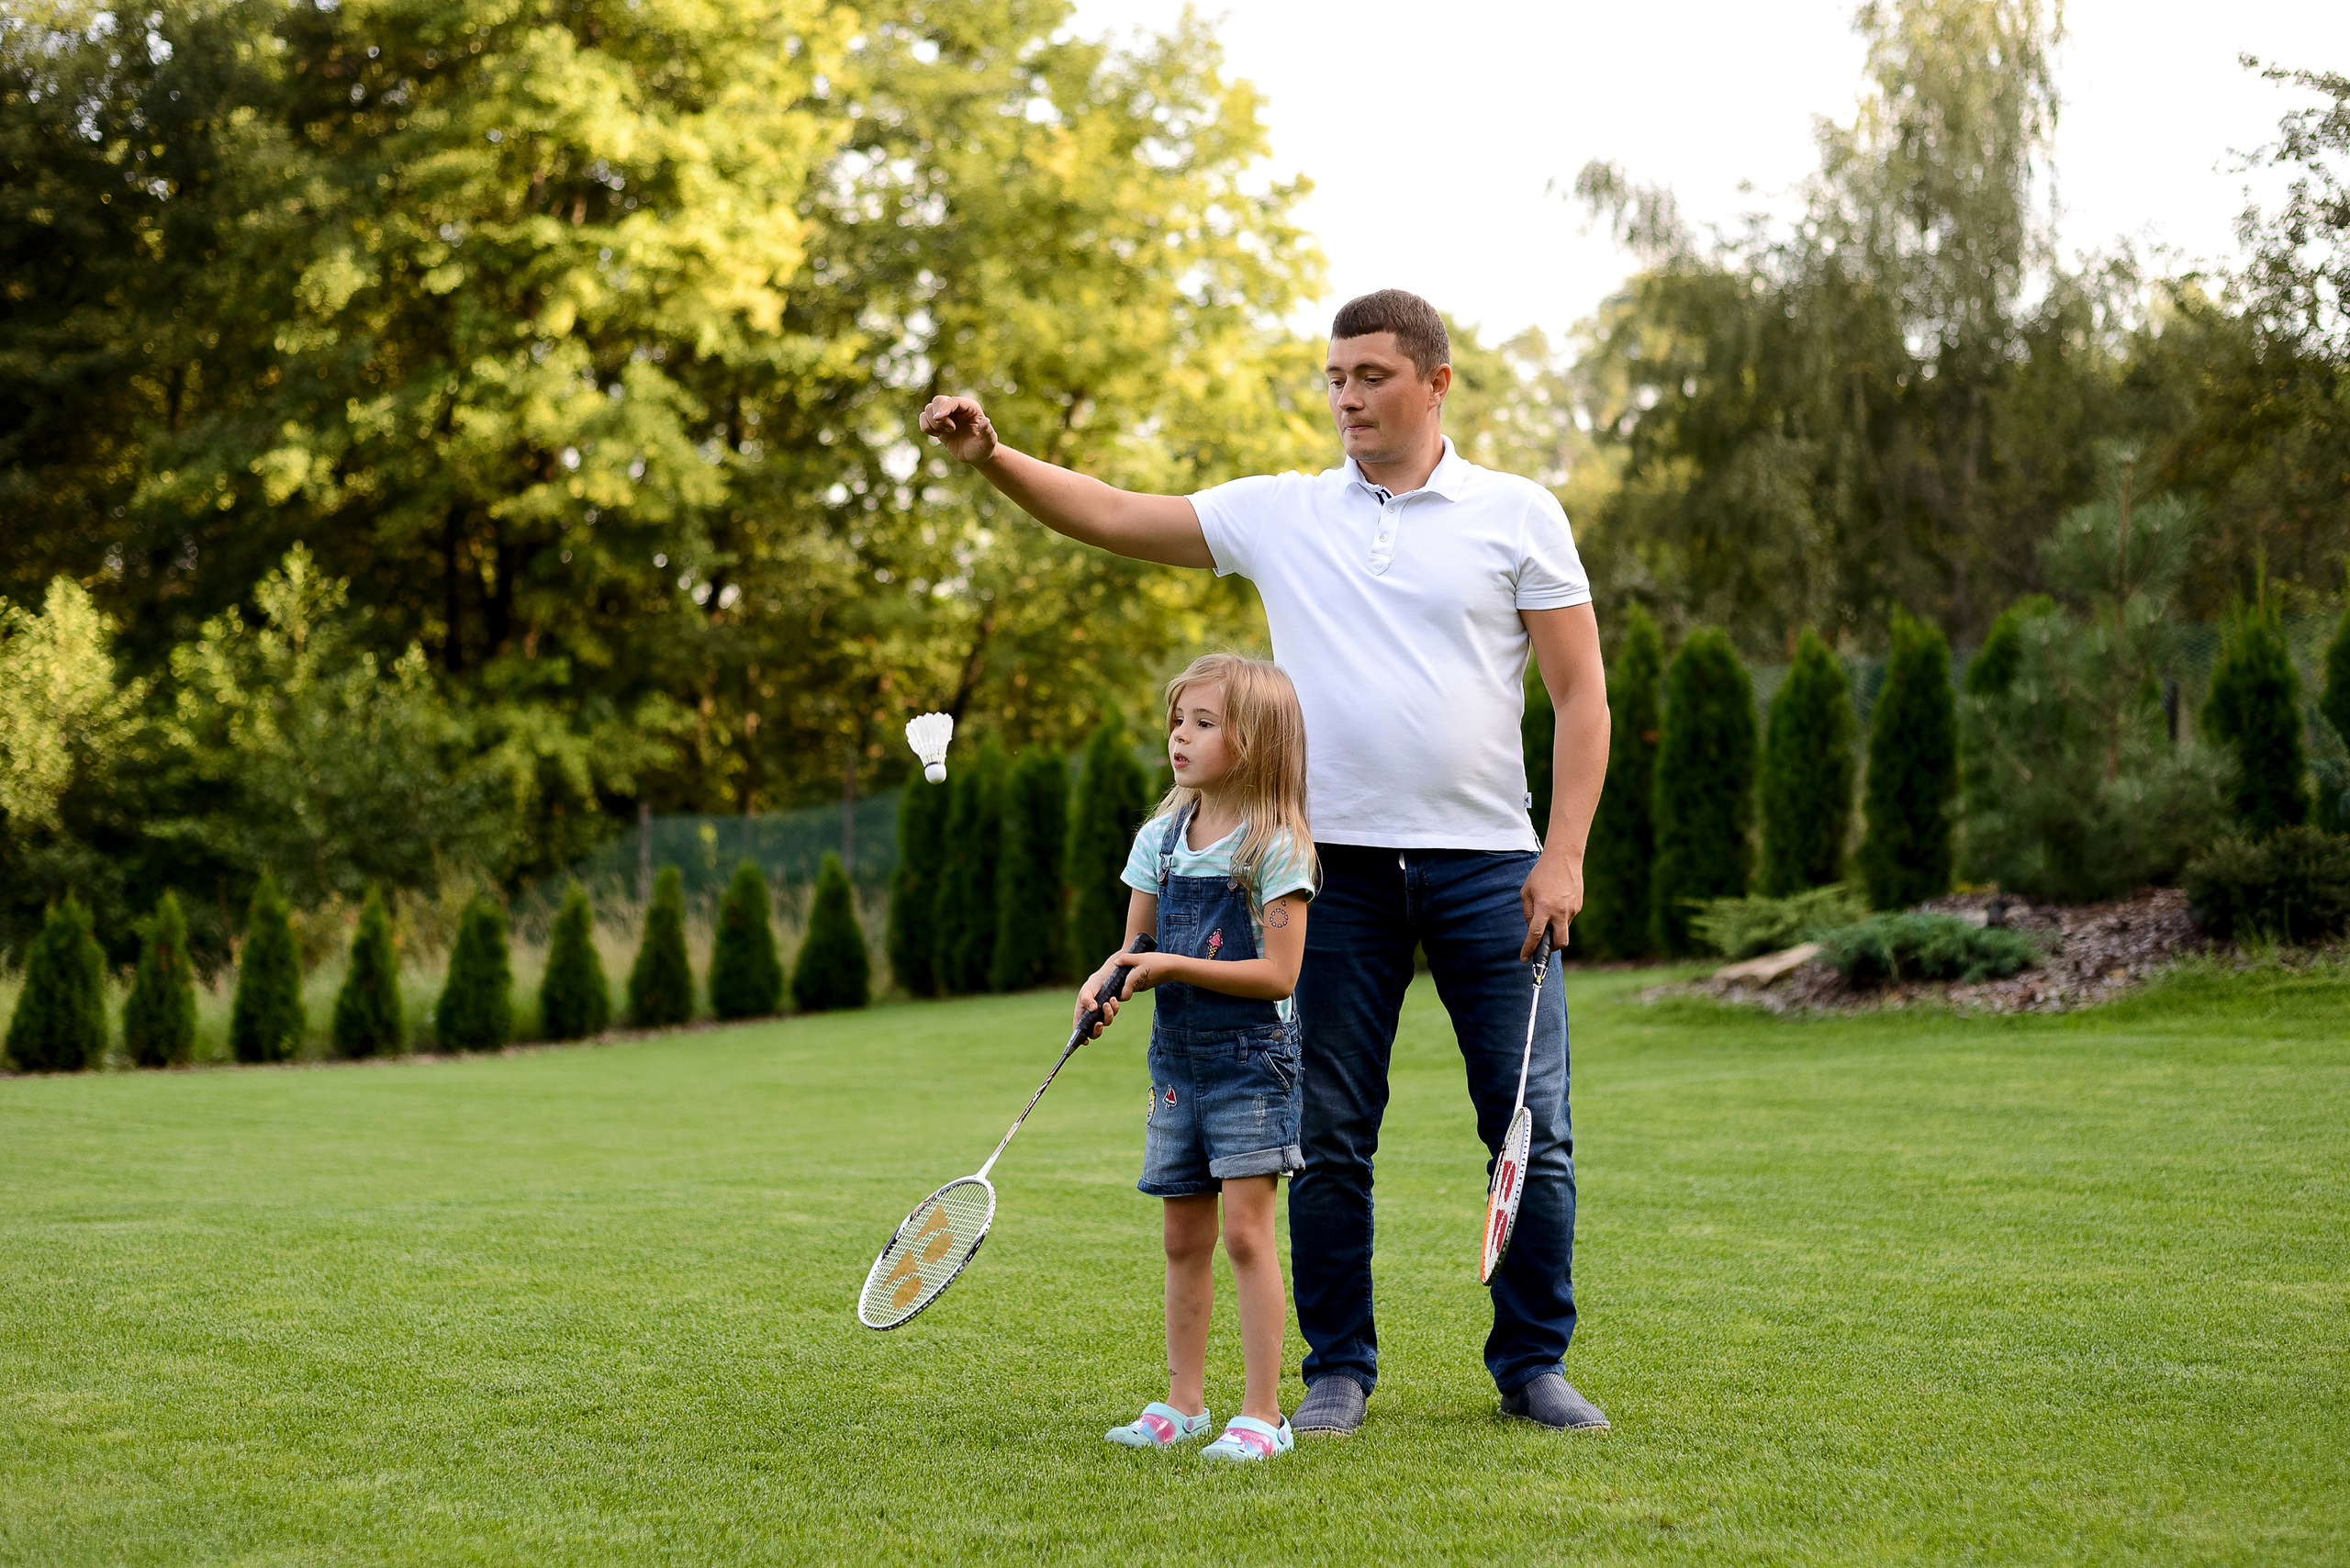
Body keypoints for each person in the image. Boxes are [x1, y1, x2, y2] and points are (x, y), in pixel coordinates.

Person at [923, 288, 1611, 1436]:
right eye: (1334, 376)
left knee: (1528, 1125)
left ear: (1435, 382)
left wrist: (1563, 855)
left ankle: (1532, 1367)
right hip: (1324, 872)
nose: (1346, 395)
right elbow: (1109, 512)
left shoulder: (1519, 513)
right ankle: (1336, 1369)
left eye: (1372, 375)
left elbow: (1581, 695)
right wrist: (994, 457)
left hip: (1492, 867)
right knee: (1331, 1132)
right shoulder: (1284, 513)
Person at [1082, 654, 1316, 1463]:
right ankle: (1184, 1405)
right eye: (1178, 720)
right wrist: (1107, 979)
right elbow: (1135, 947)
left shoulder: (1276, 848)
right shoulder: (1161, 839)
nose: (1181, 736)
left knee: (1246, 1235)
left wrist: (1169, 967)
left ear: (1253, 742)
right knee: (1184, 1235)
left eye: (1204, 723)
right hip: (1176, 1064)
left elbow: (1279, 975)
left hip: (1253, 1065)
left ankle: (1263, 1415)